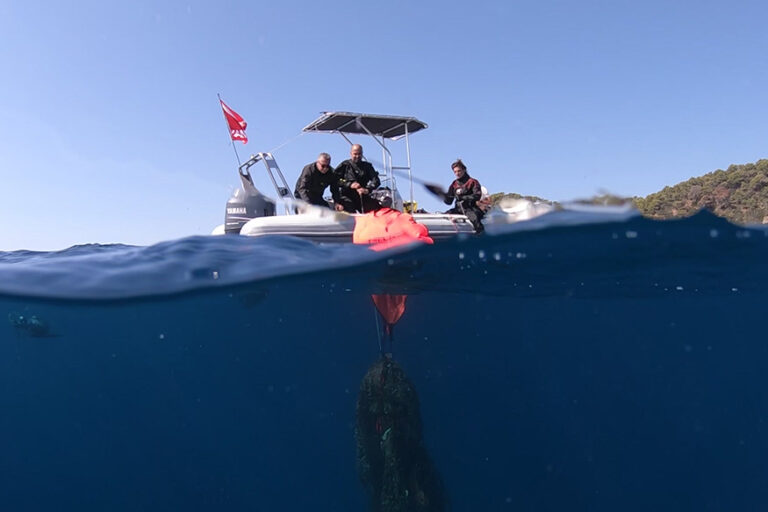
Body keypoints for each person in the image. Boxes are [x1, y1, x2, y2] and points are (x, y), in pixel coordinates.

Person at [333, 144, 382, 213]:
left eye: (359, 154)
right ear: (351, 153)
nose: (357, 156)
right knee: (348, 208)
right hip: (347, 196)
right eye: (355, 154)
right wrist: (349, 184)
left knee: (376, 210)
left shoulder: (367, 166)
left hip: (362, 196)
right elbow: (335, 179)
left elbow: (376, 180)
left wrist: (367, 189)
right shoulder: (345, 165)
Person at [443, 159, 485, 233]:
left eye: (459, 171)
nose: (457, 173)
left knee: (475, 221)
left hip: (470, 209)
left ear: (464, 170)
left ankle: (481, 237)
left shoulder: (472, 182)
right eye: (455, 172)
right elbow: (449, 201)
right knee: (444, 216)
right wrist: (444, 196)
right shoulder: (454, 184)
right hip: (457, 209)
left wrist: (463, 198)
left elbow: (477, 196)